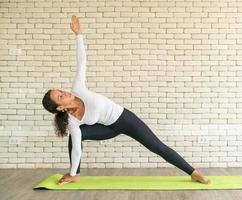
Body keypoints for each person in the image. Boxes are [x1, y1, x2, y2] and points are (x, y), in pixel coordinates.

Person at [42, 15, 210, 185]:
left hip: (123, 119)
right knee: (75, 138)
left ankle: (193, 172)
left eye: (61, 91)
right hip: (107, 129)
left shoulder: (78, 89)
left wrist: (78, 36)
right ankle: (75, 175)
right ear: (59, 108)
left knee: (157, 146)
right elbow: (77, 148)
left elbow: (82, 62)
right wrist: (71, 171)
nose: (65, 93)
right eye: (60, 96)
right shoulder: (71, 121)